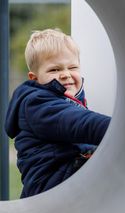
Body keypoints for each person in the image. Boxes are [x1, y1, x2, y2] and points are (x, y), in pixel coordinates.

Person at [5, 28, 111, 198]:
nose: (66, 74)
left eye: (72, 67)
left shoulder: (69, 100)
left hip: (65, 172)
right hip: (49, 183)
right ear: (35, 78)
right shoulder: (37, 104)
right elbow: (79, 124)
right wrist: (122, 128)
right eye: (54, 70)